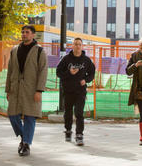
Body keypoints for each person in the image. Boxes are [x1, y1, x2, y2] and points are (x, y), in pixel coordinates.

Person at [5, 25, 49, 157]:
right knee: (12, 115)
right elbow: (10, 70)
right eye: (23, 32)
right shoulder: (15, 50)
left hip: (32, 89)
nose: (24, 34)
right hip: (15, 89)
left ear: (33, 35)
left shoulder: (39, 51)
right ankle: (25, 137)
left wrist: (39, 90)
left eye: (27, 32)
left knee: (30, 117)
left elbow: (43, 71)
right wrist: (8, 89)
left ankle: (26, 144)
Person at [56, 37, 97, 146]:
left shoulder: (86, 60)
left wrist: (86, 80)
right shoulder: (66, 59)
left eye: (79, 44)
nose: (77, 46)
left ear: (82, 46)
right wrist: (69, 73)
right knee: (68, 112)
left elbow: (92, 73)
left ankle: (79, 135)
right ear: (72, 46)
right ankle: (68, 131)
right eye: (75, 44)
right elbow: (58, 72)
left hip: (80, 90)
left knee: (79, 112)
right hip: (68, 89)